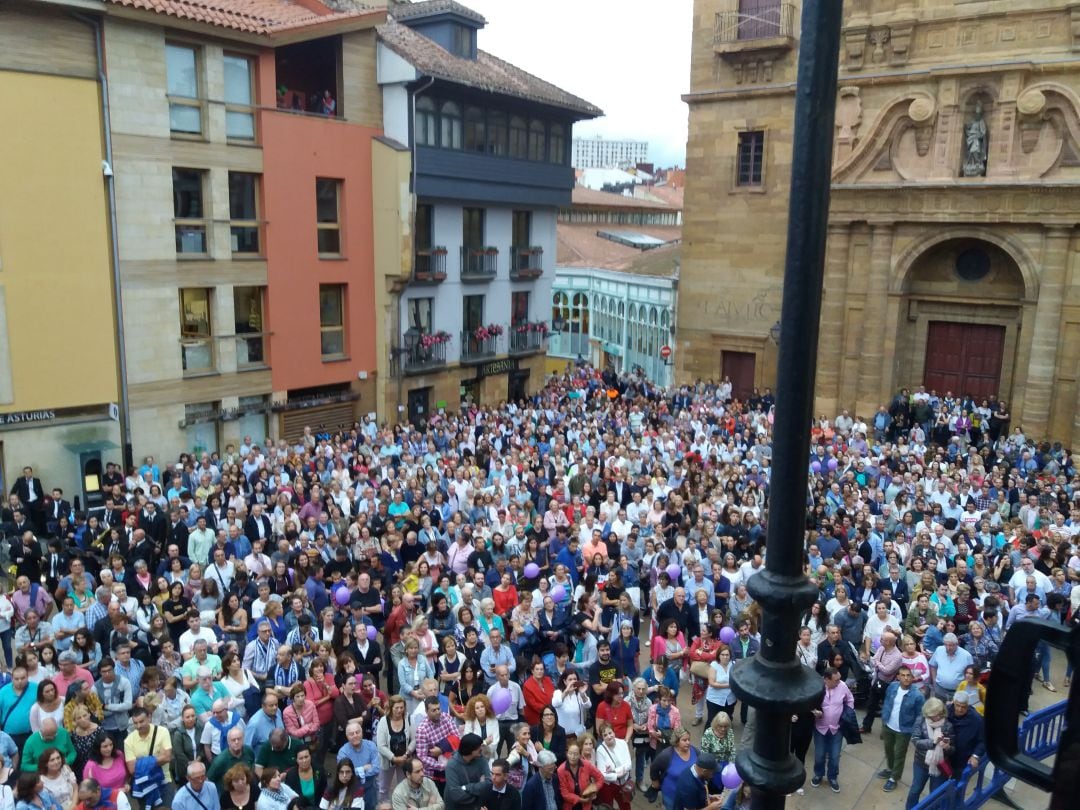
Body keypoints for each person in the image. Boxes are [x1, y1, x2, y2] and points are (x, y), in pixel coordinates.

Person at [878, 665, 924, 793]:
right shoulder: (892, 687)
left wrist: (915, 732)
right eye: (903, 675)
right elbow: (887, 703)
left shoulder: (917, 696)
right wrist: (883, 722)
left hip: (904, 730)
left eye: (908, 675)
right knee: (888, 750)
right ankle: (890, 769)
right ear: (898, 677)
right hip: (888, 725)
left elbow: (920, 716)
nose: (906, 678)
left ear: (912, 677)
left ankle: (894, 777)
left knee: (899, 754)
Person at [905, 698, 954, 810]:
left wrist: (947, 747)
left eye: (940, 714)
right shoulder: (921, 720)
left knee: (935, 795)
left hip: (939, 766)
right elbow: (915, 740)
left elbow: (953, 749)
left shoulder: (948, 725)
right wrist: (932, 742)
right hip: (921, 763)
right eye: (934, 715)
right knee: (915, 790)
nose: (937, 717)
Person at [810, 667, 852, 793]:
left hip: (836, 728)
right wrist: (814, 711)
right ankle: (818, 774)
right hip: (820, 728)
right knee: (819, 755)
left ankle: (832, 777)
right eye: (836, 680)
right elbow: (809, 703)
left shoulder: (843, 686)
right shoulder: (817, 687)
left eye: (839, 679)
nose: (839, 682)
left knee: (834, 756)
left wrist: (848, 714)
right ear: (826, 680)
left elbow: (850, 700)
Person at [123, 707, 175, 805]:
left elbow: (167, 757)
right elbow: (132, 769)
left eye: (141, 721)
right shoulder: (128, 741)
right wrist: (158, 757)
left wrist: (140, 762)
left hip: (164, 781)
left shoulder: (163, 732)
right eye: (135, 723)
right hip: (144, 786)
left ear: (149, 718)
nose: (138, 726)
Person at [335, 723, 379, 810]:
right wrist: (363, 769)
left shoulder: (371, 746)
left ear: (362, 732)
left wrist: (354, 771)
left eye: (357, 732)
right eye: (351, 734)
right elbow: (344, 774)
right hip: (351, 790)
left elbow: (376, 768)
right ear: (347, 736)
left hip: (369, 789)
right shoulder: (343, 752)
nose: (355, 735)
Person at [442, 733, 490, 810]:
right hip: (455, 807)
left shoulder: (481, 759)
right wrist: (479, 792)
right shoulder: (452, 765)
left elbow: (488, 784)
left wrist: (467, 788)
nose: (481, 748)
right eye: (479, 747)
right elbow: (456, 795)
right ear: (471, 750)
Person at [556, 741, 603, 810]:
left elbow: (600, 777)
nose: (572, 757)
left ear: (580, 755)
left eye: (575, 754)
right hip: (570, 806)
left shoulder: (586, 765)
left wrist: (594, 789)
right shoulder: (561, 770)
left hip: (587, 805)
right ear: (566, 754)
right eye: (570, 753)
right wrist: (580, 800)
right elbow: (564, 793)